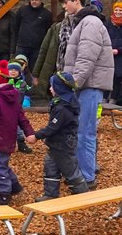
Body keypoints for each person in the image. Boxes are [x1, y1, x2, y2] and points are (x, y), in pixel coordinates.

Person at [57, 0, 113, 188]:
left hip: (88, 86)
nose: (64, 7)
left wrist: (72, 83)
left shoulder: (89, 23)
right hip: (86, 85)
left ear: (76, 1)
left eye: (66, 2)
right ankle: (82, 172)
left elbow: (86, 58)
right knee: (81, 130)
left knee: (85, 132)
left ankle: (87, 178)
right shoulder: (83, 22)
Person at [0, 62, 34, 205]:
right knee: (2, 161)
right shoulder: (14, 96)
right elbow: (21, 116)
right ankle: (14, 185)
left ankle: (3, 194)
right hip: (9, 136)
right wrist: (29, 131)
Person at [32, 71, 90, 200]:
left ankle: (84, 195)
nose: (50, 89)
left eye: (52, 86)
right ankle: (50, 194)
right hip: (55, 144)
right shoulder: (60, 102)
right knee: (50, 168)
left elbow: (53, 127)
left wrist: (36, 136)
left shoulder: (63, 108)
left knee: (70, 172)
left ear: (59, 88)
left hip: (63, 145)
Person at [10, 0, 51, 67]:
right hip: (22, 46)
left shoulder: (46, 14)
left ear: (41, 0)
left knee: (35, 69)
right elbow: (15, 27)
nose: (34, 1)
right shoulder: (22, 10)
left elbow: (47, 31)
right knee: (18, 67)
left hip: (37, 47)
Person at [7, 60, 34, 154]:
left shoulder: (22, 83)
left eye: (15, 70)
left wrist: (31, 87)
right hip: (7, 108)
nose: (13, 71)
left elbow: (30, 92)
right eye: (11, 69)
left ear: (19, 71)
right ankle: (9, 144)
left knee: (19, 126)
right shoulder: (6, 82)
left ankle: (21, 144)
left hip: (18, 108)